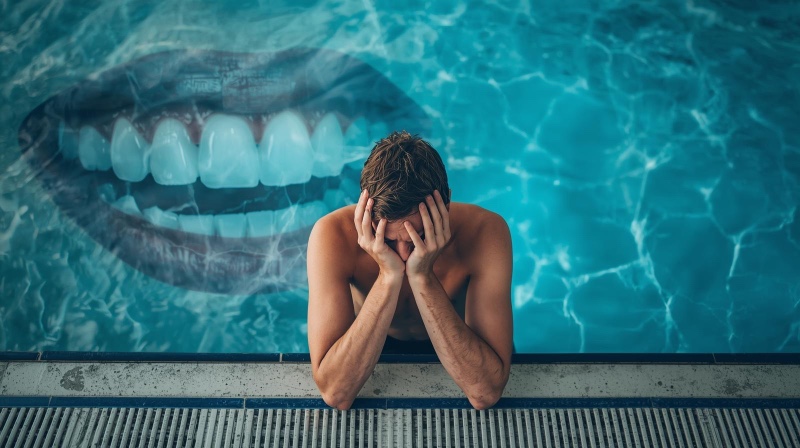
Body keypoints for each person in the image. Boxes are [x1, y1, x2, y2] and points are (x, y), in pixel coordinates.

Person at [306, 131, 513, 411]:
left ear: (446, 206)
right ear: (366, 213)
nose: (404, 256)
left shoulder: (484, 232)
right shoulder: (333, 236)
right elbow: (336, 393)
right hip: (368, 343)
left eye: (419, 236)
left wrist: (423, 276)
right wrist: (388, 277)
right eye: (388, 241)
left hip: (465, 345)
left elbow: (485, 392)